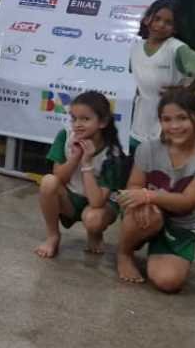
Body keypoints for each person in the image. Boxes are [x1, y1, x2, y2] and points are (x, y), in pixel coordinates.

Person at [115, 88, 195, 293]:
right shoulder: (147, 148)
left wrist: (149, 195)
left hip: (180, 225)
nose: (174, 126)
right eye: (166, 119)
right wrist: (143, 200)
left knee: (168, 282)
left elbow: (188, 201)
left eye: (182, 118)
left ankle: (158, 249)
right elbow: (134, 185)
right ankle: (124, 254)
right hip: (147, 214)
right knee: (150, 213)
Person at [35, 91, 129, 258]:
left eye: (85, 119)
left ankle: (94, 233)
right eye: (74, 118)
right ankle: (53, 236)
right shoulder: (65, 136)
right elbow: (59, 176)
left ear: (103, 122)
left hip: (99, 206)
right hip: (71, 198)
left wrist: (87, 163)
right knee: (48, 181)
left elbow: (97, 201)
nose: (77, 124)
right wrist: (75, 157)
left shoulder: (112, 154)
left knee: (93, 219)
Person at [129, 0, 195, 152]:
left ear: (175, 28)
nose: (161, 25)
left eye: (168, 22)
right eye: (157, 19)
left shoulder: (176, 48)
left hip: (169, 114)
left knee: (162, 159)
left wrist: (186, 91)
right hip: (142, 113)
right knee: (139, 157)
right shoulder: (137, 47)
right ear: (147, 19)